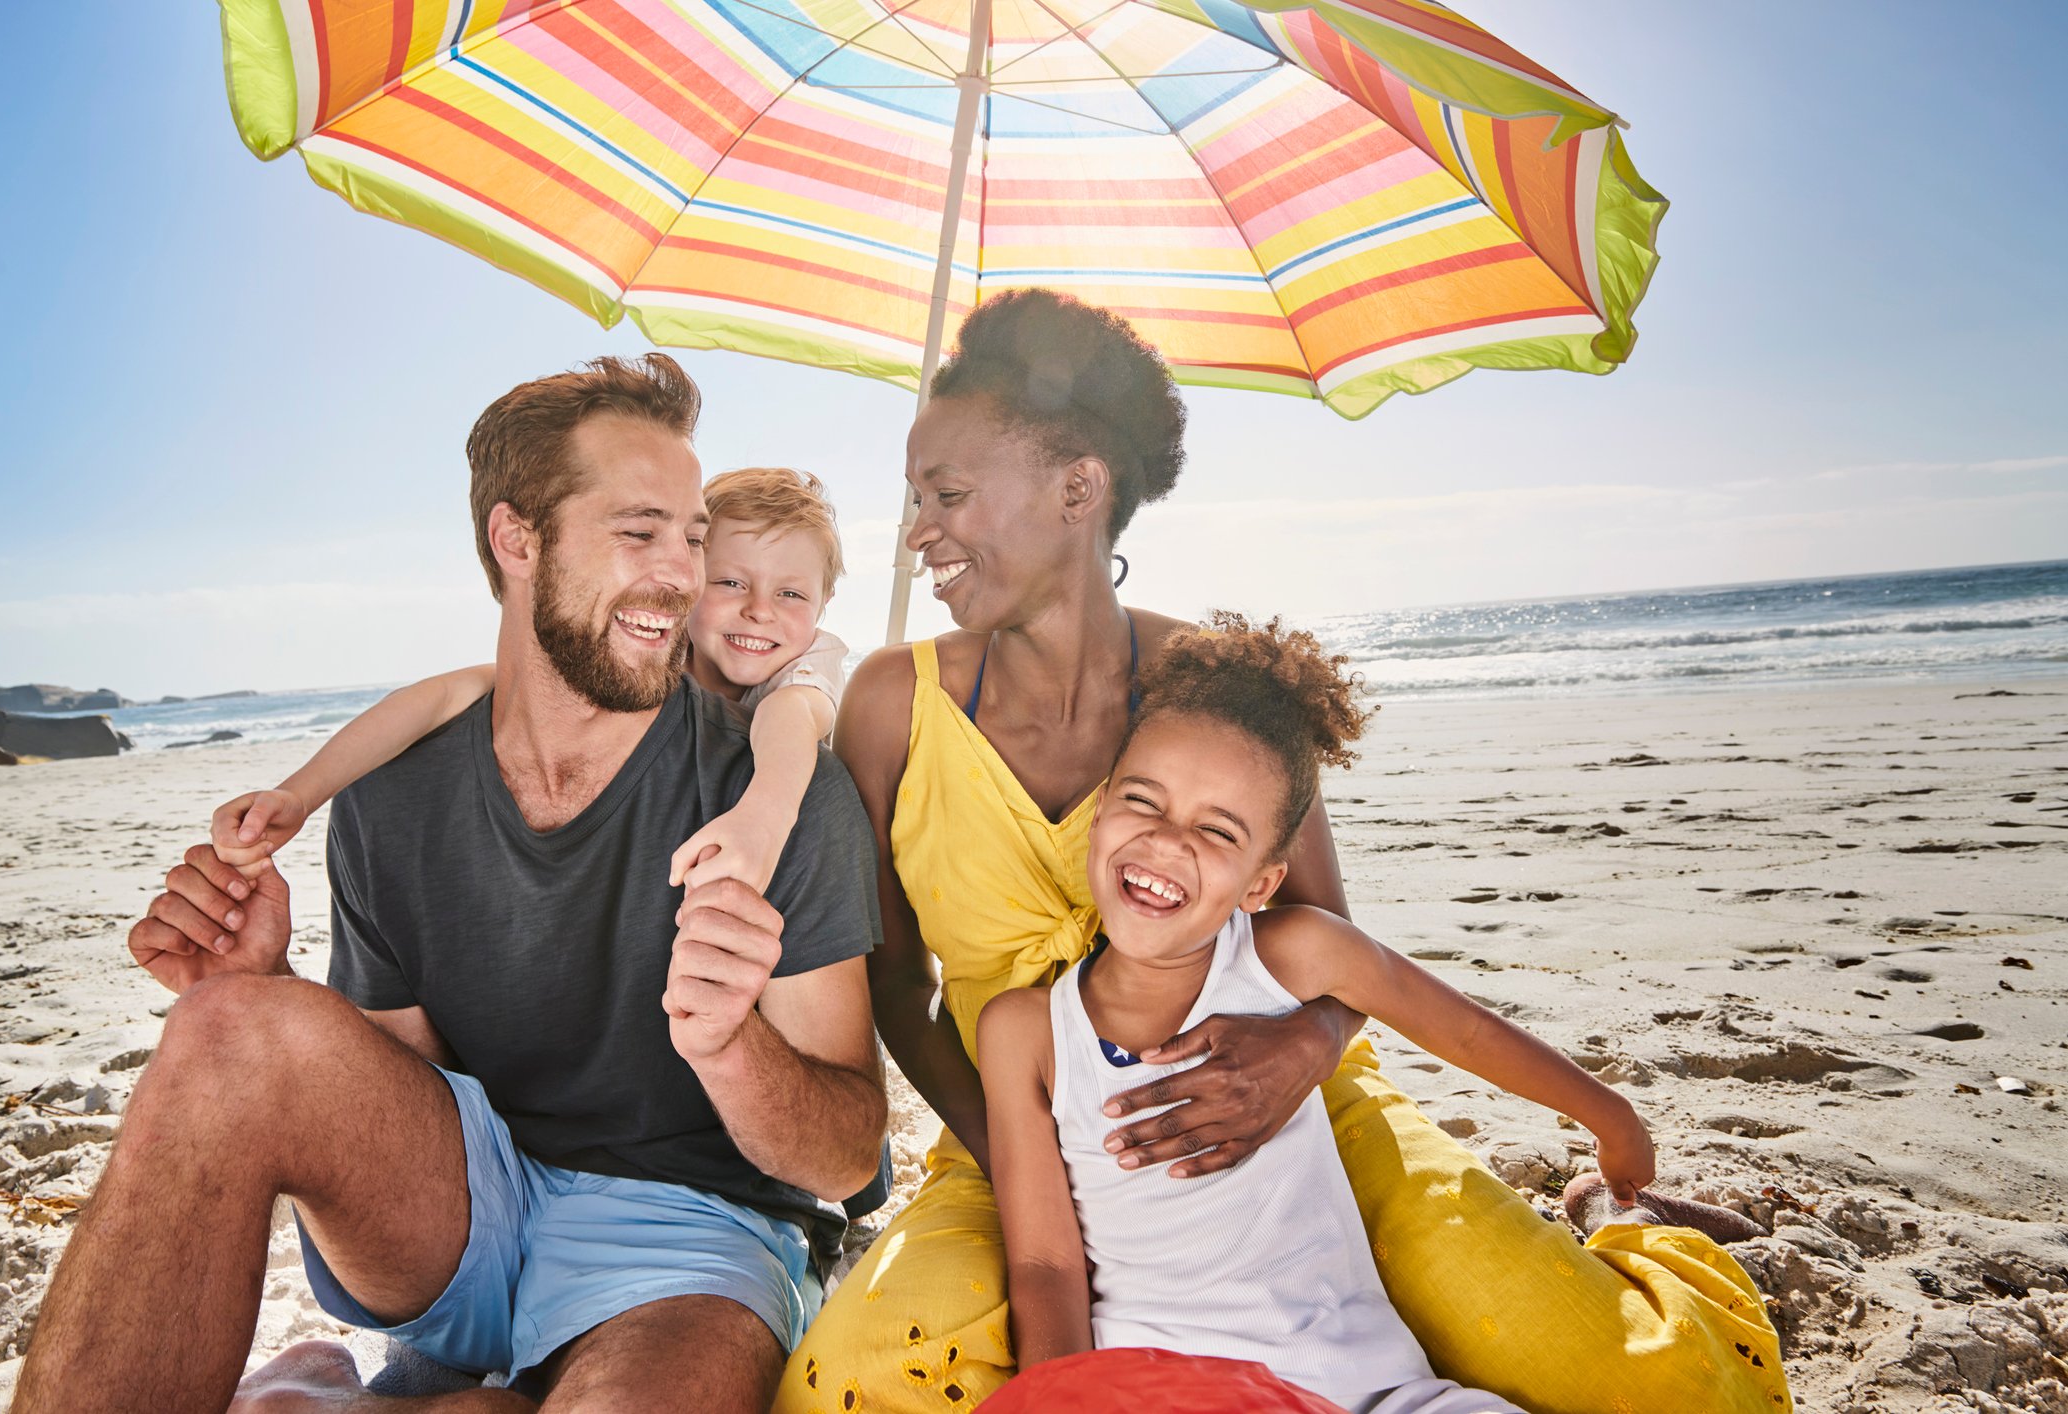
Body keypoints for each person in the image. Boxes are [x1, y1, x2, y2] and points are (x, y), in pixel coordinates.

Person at [775, 290, 1788, 1414]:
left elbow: (1332, 950)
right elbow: (893, 978)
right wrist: (1025, 1149)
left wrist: (1300, 1051)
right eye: (917, 498)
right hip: (1002, 1125)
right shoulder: (889, 702)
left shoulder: (1223, 695)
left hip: (1290, 1114)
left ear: (1078, 489)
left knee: (1653, 1386)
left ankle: (1628, 1231)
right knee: (851, 1383)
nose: (920, 530)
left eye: (950, 495)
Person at [12, 357, 887, 1414]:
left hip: (690, 1241)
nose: (680, 574)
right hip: (473, 1208)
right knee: (229, 1027)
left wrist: (731, 1045)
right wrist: (274, 989)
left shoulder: (774, 795)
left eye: (694, 537)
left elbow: (842, 1156)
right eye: (639, 531)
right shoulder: (394, 796)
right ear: (517, 541)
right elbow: (407, 1082)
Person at [981, 614, 1650, 1412]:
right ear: (1098, 815)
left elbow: (1463, 1030)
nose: (1166, 842)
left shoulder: (1291, 956)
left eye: (1216, 831)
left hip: (1368, 1387)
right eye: (1142, 801)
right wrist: (1058, 1396)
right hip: (1165, 1390)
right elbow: (1046, 1267)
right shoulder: (1024, 1031)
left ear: (1261, 883)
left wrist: (1610, 1119)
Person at [211, 465, 851, 897]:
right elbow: (450, 694)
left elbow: (790, 721)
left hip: (769, 862)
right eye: (730, 582)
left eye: (792, 593)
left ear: (822, 606)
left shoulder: (805, 667)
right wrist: (300, 794)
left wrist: (763, 821)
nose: (759, 610)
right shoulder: (657, 645)